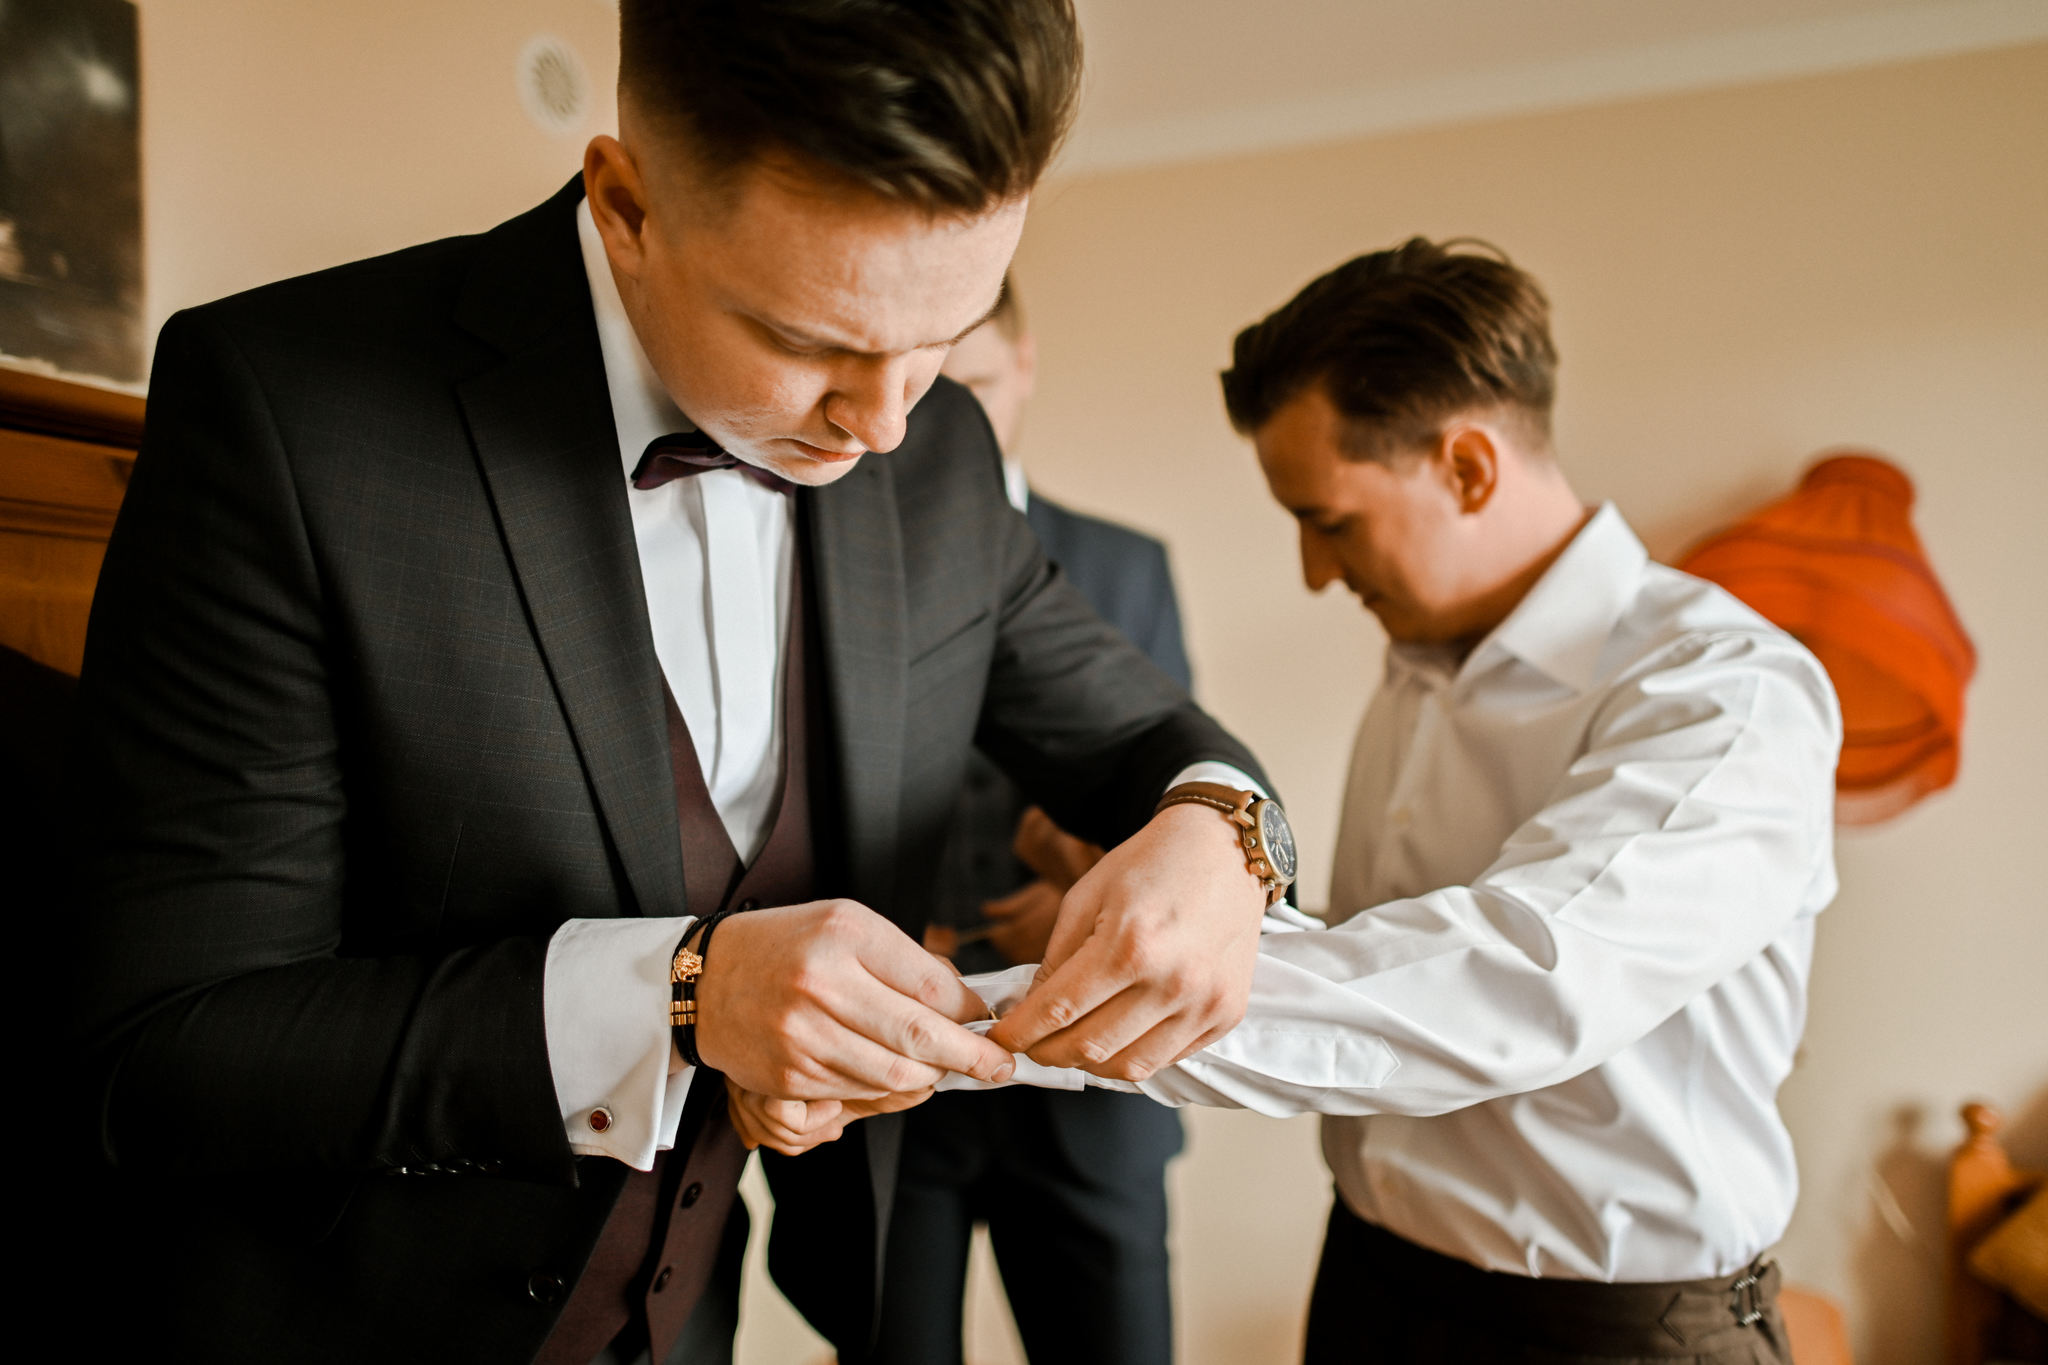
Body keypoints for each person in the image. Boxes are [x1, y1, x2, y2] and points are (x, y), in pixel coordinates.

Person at [61, 4, 1290, 1363]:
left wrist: (1222, 834)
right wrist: (681, 992)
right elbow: (160, 1046)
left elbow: (1154, 732)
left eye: (944, 333)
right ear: (625, 203)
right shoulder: (292, 412)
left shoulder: (940, 461)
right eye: (808, 338)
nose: (886, 422)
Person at [913, 238, 1838, 1363]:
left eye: (1331, 521)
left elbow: (1507, 985)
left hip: (1606, 1331)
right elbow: (1380, 964)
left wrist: (971, 1021)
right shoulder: (1416, 672)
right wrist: (1161, 914)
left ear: (1468, 468)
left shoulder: (1726, 693)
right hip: (1367, 1280)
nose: (1313, 570)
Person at [864, 282, 1191, 1365]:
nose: (944, 426)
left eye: (976, 389)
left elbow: (1166, 785)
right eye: (926, 394)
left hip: (1089, 1077)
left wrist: (1088, 898)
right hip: (892, 1075)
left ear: (1026, 366)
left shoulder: (1125, 565)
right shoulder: (830, 569)